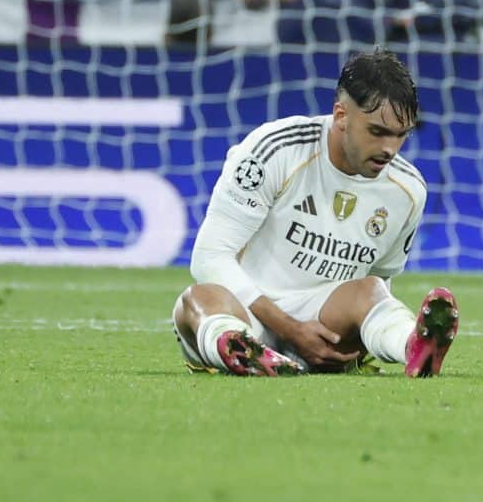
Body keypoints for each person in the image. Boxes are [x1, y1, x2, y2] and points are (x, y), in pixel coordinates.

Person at [171, 50, 459, 377]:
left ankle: (410, 347)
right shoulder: (276, 149)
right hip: (247, 311)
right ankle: (241, 348)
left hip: (325, 330)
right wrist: (291, 330)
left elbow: (379, 278)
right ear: (341, 116)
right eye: (377, 132)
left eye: (401, 134)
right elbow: (209, 257)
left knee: (371, 289)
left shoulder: (408, 190)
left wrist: (356, 346)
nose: (389, 149)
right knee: (196, 299)